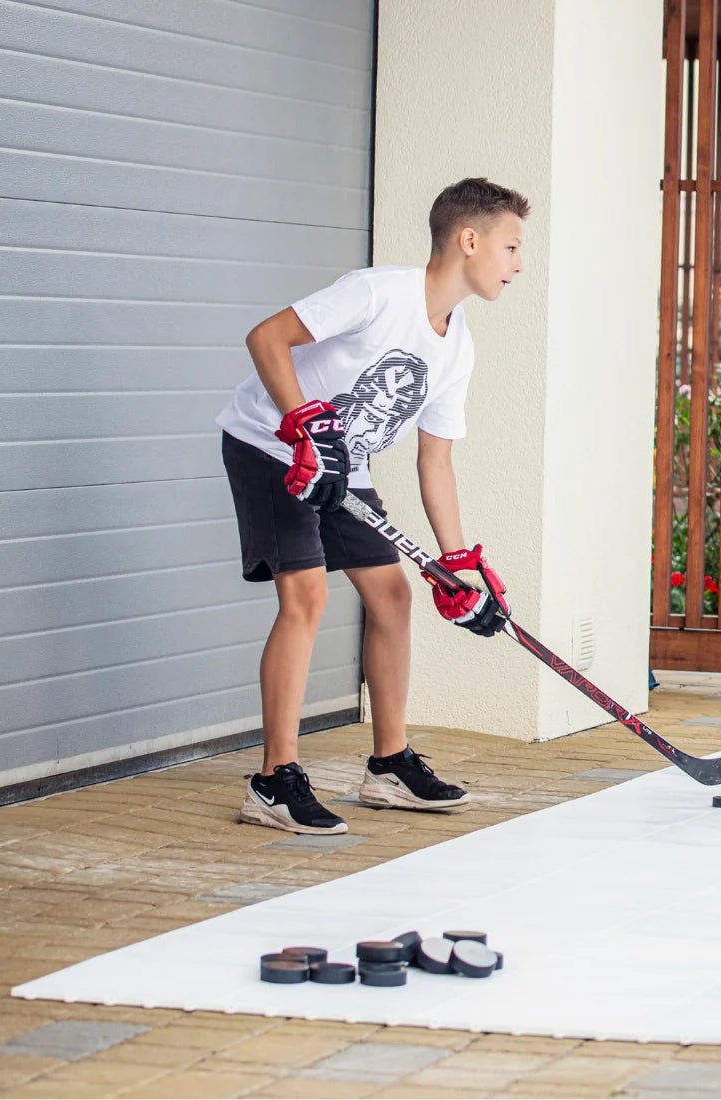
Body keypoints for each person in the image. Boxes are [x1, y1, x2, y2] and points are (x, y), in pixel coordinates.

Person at [217, 177, 529, 833]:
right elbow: (266, 338)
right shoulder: (378, 292)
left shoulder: (457, 345)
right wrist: (305, 424)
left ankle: (389, 767)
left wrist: (455, 564)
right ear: (469, 240)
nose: (518, 264)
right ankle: (274, 781)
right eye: (510, 246)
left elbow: (434, 460)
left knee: (393, 595)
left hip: (341, 463)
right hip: (271, 446)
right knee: (306, 598)